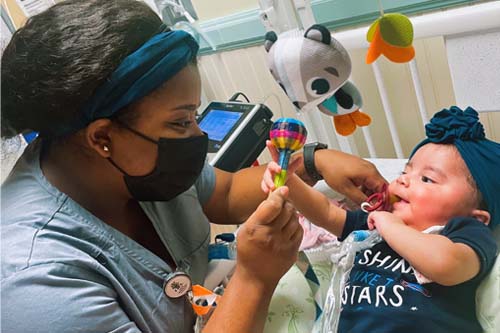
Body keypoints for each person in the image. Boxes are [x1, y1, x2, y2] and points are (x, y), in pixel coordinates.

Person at [0, 1, 386, 332]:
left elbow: (229, 191)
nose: (197, 134)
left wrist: (315, 162)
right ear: (102, 138)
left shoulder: (137, 165)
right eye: (181, 121)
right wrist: (253, 279)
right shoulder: (36, 282)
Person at [262, 106, 500, 332]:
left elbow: (447, 265)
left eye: (427, 179)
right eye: (404, 172)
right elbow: (326, 212)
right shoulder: (377, 223)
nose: (404, 180)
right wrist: (289, 181)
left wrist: (391, 227)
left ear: (478, 217)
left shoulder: (466, 233)